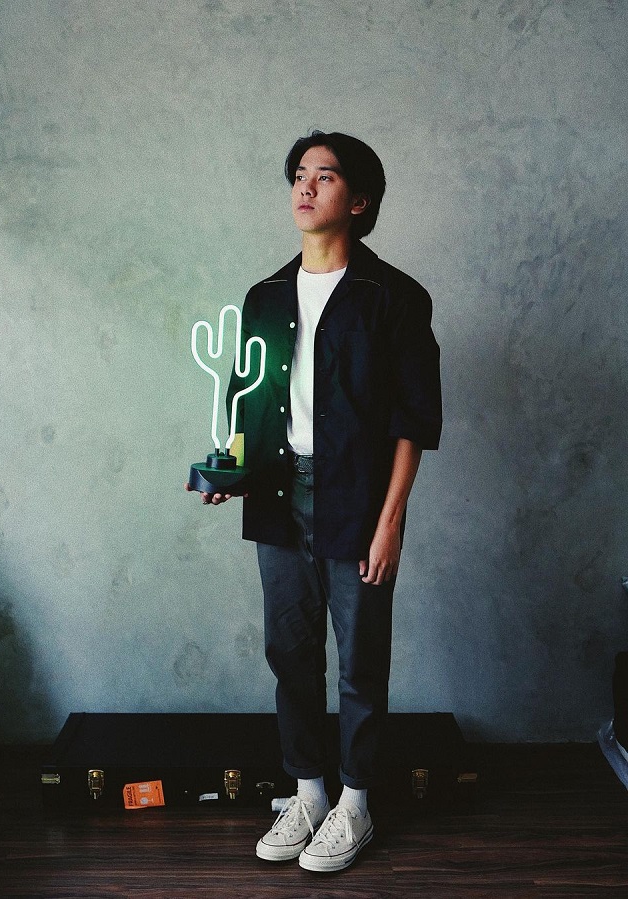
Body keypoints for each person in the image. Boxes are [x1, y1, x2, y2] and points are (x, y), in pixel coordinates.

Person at [186, 130, 442, 872]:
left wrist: (390, 524)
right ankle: (308, 791)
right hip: (276, 495)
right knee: (290, 653)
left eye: (324, 177)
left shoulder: (393, 297)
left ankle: (356, 802)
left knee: (360, 658)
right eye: (299, 174)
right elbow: (247, 400)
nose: (305, 187)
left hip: (358, 501)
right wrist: (228, 472)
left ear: (358, 200)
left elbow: (413, 422)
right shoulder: (265, 297)